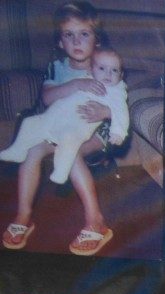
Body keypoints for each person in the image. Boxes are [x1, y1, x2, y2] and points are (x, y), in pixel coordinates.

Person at [1, 2, 117, 256]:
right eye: (69, 34)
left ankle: (96, 221)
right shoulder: (57, 67)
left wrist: (106, 111)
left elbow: (120, 102)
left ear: (96, 39)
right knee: (32, 150)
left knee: (71, 150)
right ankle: (23, 215)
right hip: (57, 129)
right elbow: (46, 97)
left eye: (84, 34)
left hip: (97, 132)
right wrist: (74, 85)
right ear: (60, 42)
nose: (76, 40)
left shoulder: (105, 65)